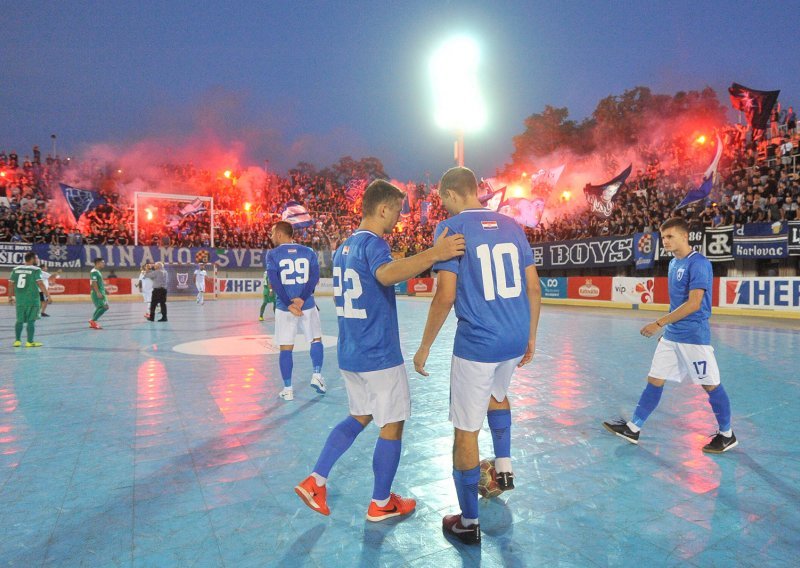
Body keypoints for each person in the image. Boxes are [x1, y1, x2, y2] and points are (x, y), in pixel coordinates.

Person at [294, 180, 465, 522]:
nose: (399, 219)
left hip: (351, 353)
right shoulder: (374, 244)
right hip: (378, 354)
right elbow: (386, 275)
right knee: (393, 424)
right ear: (383, 208)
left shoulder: (345, 247)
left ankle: (316, 480)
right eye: (398, 211)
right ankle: (381, 502)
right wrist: (435, 254)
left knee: (360, 415)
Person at [413, 167, 541, 545]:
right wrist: (529, 336)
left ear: (452, 194)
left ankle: (468, 523)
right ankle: (504, 468)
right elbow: (533, 288)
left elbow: (446, 295)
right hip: (515, 336)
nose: (442, 208)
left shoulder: (450, 228)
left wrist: (424, 347)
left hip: (479, 343)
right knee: (497, 395)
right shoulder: (513, 226)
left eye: (441, 200)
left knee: (465, 429)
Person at [603, 217, 737, 454]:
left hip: (694, 337)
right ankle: (634, 428)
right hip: (672, 336)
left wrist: (659, 323)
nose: (665, 241)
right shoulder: (674, 263)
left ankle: (727, 435)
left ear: (685, 236)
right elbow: (678, 303)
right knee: (654, 379)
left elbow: (694, 303)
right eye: (663, 237)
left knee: (711, 386)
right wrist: (667, 332)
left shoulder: (699, 263)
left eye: (670, 236)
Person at [266, 221, 325, 400]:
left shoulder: (273, 254)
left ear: (279, 234)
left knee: (286, 348)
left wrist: (289, 303)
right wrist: (302, 299)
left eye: (272, 232)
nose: (270, 236)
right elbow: (314, 277)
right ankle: (317, 375)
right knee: (315, 340)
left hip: (285, 308)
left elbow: (274, 282)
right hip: (307, 305)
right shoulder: (308, 252)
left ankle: (288, 389)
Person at [8, 251, 50, 347]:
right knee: (31, 321)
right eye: (36, 258)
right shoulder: (36, 270)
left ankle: (17, 341)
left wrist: (10, 296)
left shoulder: (16, 269)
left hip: (20, 299)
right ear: (32, 259)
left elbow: (10, 284)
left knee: (19, 320)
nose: (37, 260)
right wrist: (47, 295)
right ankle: (29, 342)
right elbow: (40, 283)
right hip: (32, 299)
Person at [89, 258, 109, 329]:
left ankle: (92, 321)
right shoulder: (94, 272)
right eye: (102, 262)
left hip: (100, 292)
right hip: (97, 292)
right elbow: (94, 283)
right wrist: (98, 292)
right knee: (105, 307)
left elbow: (98, 283)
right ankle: (93, 321)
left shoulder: (97, 271)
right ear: (97, 263)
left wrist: (105, 290)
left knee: (100, 307)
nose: (104, 264)